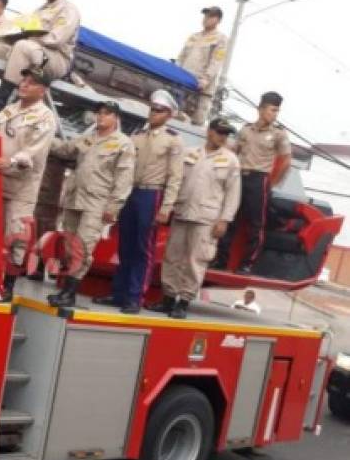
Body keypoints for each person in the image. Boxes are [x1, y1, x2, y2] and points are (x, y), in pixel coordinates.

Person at [96, 90, 183, 313]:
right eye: (152, 109)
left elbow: (175, 177)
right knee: (125, 245)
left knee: (143, 249)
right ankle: (119, 293)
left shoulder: (173, 140)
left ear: (169, 114)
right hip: (130, 192)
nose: (154, 113)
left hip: (151, 194)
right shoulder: (136, 134)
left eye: (160, 110)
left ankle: (135, 297)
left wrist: (167, 207)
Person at [47, 100, 135, 307]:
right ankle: (66, 291)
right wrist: (43, 137)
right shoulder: (88, 139)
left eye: (107, 113)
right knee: (69, 246)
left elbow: (124, 178)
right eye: (99, 113)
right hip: (75, 199)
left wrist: (114, 207)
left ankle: (70, 292)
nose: (101, 116)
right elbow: (65, 149)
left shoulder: (123, 143)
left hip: (97, 202)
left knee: (84, 247)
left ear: (116, 118)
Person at [149, 118, 240, 319]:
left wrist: (224, 219)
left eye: (226, 134)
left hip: (207, 218)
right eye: (220, 132)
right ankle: (168, 299)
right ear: (209, 132)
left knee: (195, 261)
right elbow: (175, 181)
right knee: (172, 257)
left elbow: (233, 194)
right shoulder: (190, 153)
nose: (223, 137)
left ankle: (184, 301)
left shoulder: (231, 160)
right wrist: (168, 206)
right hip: (182, 212)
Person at [0, 67, 57, 298]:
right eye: (23, 79)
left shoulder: (45, 117)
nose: (24, 84)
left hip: (22, 186)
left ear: (43, 90)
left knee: (16, 236)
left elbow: (34, 152)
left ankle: (8, 284)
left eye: (32, 82)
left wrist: (10, 161)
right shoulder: (8, 110)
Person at [211, 91, 291, 273]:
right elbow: (233, 149)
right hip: (240, 176)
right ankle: (221, 260)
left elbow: (286, 160)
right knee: (229, 218)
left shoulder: (278, 134)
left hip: (260, 179)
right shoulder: (246, 129)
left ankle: (247, 264)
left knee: (256, 224)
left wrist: (273, 183)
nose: (275, 114)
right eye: (272, 110)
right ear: (261, 109)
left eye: (277, 111)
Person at [0, 0, 81, 116]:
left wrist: (27, 37)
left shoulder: (69, 10)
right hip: (34, 51)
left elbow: (56, 40)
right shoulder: (39, 10)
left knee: (23, 46)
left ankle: (1, 99)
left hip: (56, 59)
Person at [177, 6, 228, 125]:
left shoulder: (220, 38)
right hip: (183, 84)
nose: (206, 19)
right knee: (177, 117)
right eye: (205, 16)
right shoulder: (194, 36)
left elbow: (217, 61)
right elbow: (181, 57)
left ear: (218, 20)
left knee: (195, 122)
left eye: (210, 16)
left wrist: (206, 79)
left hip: (201, 88)